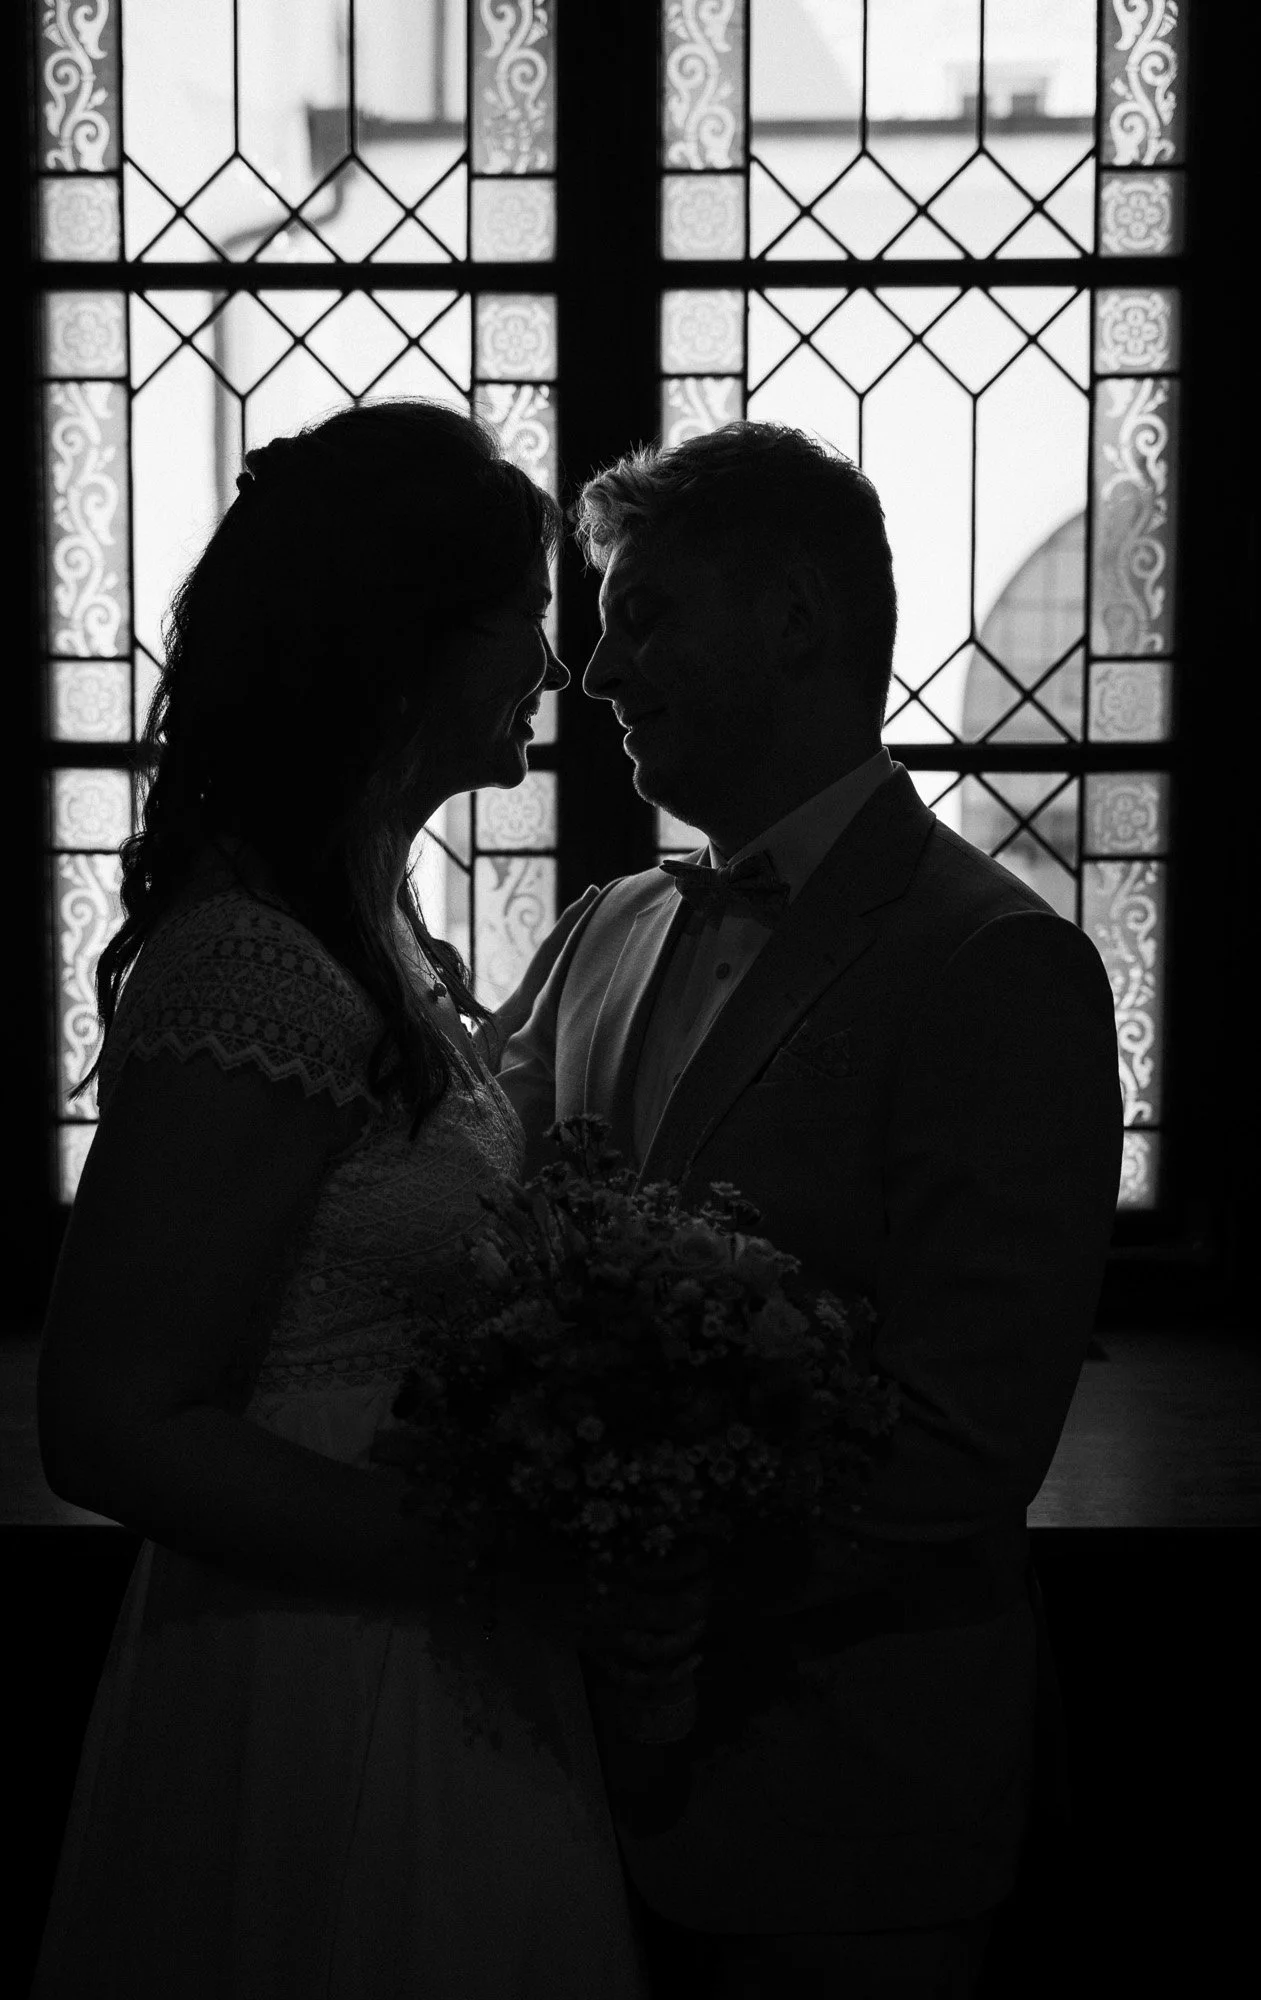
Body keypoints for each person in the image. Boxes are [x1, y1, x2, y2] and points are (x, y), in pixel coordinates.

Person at [31, 400, 654, 1999]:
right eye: (525, 609)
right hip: (313, 1663)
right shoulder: (257, 968)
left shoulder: (381, 939)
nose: (555, 656)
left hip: (434, 1641)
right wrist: (472, 1555)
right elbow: (107, 1420)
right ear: (407, 641)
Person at [496, 421, 1126, 1999]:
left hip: (852, 1805)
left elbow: (968, 1436)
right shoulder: (605, 928)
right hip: (558, 1790)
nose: (594, 672)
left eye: (642, 617)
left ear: (793, 618)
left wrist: (659, 1576)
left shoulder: (996, 966)